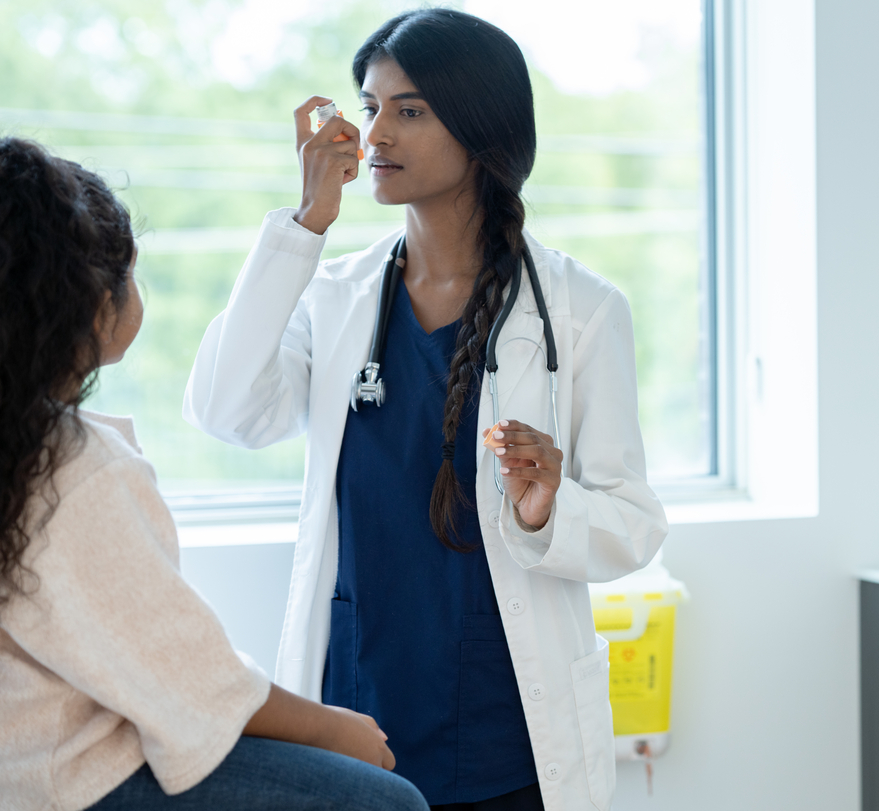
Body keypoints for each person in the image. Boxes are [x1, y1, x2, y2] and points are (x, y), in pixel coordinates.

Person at [183, 9, 669, 811]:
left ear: (482, 129)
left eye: (409, 111)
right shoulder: (335, 296)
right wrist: (304, 229)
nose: (376, 133)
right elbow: (227, 410)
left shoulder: (580, 311)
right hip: (355, 714)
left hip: (504, 732)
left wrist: (552, 508)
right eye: (369, 107)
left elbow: (634, 523)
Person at [0, 137, 429, 811]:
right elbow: (194, 683)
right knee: (387, 802)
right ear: (91, 300)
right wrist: (336, 728)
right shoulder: (69, 467)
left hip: (19, 764)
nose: (379, 133)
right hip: (73, 779)